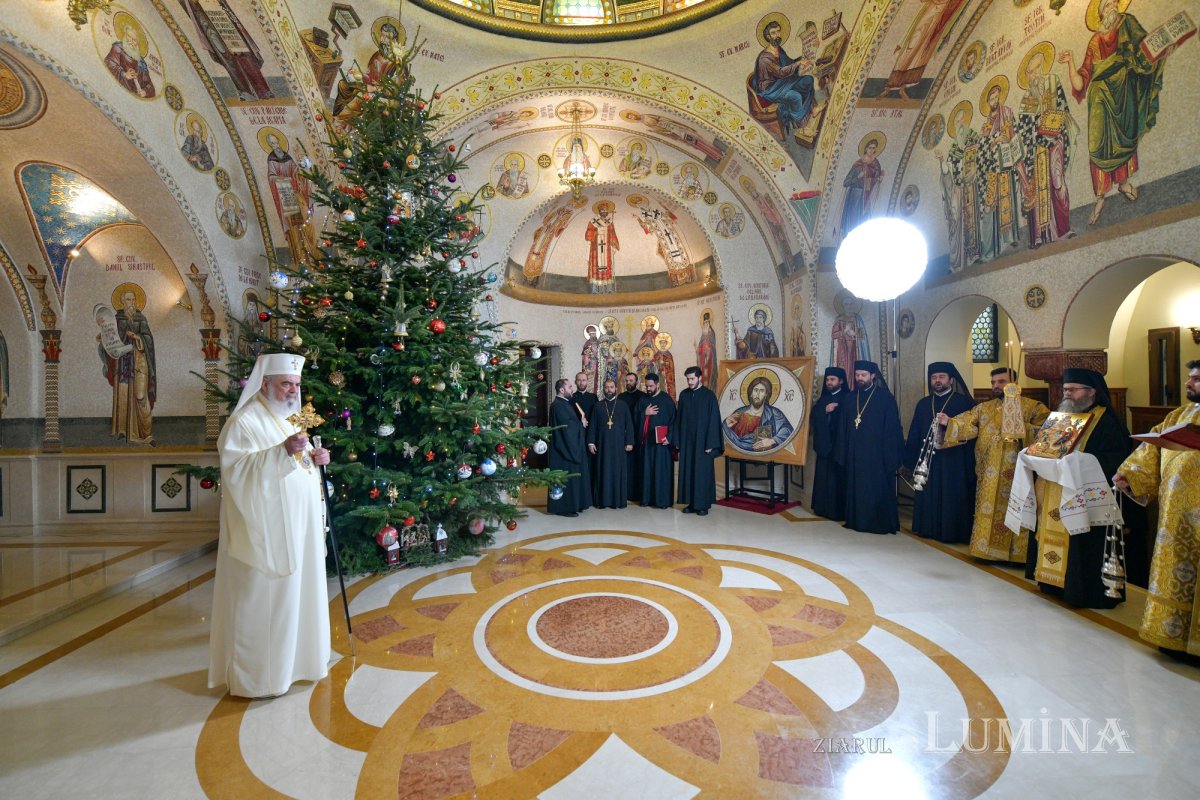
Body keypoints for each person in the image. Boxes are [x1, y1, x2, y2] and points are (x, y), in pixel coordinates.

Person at [209, 353, 331, 698]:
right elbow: (236, 471)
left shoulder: (290, 418)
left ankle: (301, 664)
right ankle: (261, 678)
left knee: (300, 594)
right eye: (285, 384)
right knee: (266, 600)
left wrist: (318, 458)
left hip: (301, 527)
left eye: (295, 384)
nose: (292, 390)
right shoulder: (244, 422)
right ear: (265, 384)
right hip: (266, 531)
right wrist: (281, 452)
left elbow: (300, 461)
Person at [1024, 368, 1133, 608]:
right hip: (1054, 493)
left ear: (1092, 392)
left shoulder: (1108, 422)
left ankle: (1083, 590)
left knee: (1084, 545)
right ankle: (1054, 583)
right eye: (1065, 390)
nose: (1067, 394)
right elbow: (1046, 448)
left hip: (1088, 498)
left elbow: (1118, 460)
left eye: (1073, 390)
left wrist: (1080, 461)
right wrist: (1033, 455)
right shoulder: (1061, 418)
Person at [1115, 361, 1200, 663]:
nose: (1190, 384)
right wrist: (1130, 474)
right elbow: (1150, 449)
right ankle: (1172, 637)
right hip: (1175, 518)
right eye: (1190, 378)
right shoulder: (1179, 415)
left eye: (1197, 380)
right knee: (1176, 571)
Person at [1059, 0, 1168, 225]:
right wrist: (1070, 63)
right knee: (1098, 145)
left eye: (1113, 3)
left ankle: (1123, 183)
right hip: (1099, 98)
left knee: (1124, 136)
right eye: (1106, 5)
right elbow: (1081, 83)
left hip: (1124, 89)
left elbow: (1146, 48)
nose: (1111, 7)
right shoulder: (1095, 41)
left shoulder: (1127, 24)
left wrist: (1163, 46)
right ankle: (1100, 195)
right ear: (1099, 13)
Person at [940, 368, 1050, 562]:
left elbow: (1047, 434)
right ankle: (986, 551)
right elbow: (967, 424)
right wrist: (950, 422)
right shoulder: (985, 408)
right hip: (990, 472)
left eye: (1001, 381)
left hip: (1020, 472)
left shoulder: (1033, 407)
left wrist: (1023, 429)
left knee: (1020, 509)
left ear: (1015, 383)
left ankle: (1019, 555)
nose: (996, 386)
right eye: (993, 382)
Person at [903, 362, 977, 543]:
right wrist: (911, 458)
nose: (937, 381)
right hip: (928, 461)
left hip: (953, 461)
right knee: (928, 493)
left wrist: (950, 423)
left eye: (941, 377)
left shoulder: (964, 402)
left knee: (951, 495)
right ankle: (926, 528)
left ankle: (951, 532)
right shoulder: (924, 403)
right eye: (934, 377)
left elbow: (972, 430)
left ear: (951, 379)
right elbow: (915, 431)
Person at [836, 360, 904, 534]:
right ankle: (856, 520)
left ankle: (876, 523)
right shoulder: (851, 397)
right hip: (854, 454)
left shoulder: (885, 398)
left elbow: (892, 429)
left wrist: (889, 456)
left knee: (875, 489)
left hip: (876, 456)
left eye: (863, 375)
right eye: (857, 375)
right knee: (857, 488)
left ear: (873, 376)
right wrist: (843, 451)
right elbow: (843, 428)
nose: (860, 378)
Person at [752, 19, 816, 136]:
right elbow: (780, 72)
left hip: (783, 82)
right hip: (771, 88)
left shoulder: (779, 50)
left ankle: (812, 110)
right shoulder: (764, 58)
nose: (777, 35)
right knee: (795, 96)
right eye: (773, 33)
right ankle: (802, 128)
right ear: (767, 36)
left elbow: (788, 63)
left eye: (778, 31)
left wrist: (802, 58)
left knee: (808, 80)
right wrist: (798, 64)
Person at [676, 367, 724, 515]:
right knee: (689, 471)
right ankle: (691, 503)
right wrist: (678, 439)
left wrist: (711, 443)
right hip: (687, 442)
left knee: (701, 473)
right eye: (688, 379)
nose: (689, 382)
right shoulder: (684, 395)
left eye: (692, 379)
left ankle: (702, 505)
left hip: (703, 443)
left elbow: (714, 421)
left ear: (699, 378)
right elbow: (679, 419)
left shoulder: (709, 396)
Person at [588, 379, 635, 509]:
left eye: (611, 387)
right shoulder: (597, 406)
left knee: (617, 472)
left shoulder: (622, 405)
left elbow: (629, 425)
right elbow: (592, 425)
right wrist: (591, 442)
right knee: (602, 471)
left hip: (619, 445)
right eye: (607, 387)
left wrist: (629, 442)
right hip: (602, 445)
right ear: (603, 389)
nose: (609, 389)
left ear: (616, 389)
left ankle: (618, 501)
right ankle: (602, 501)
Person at [548, 378, 591, 517]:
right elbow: (566, 429)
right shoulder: (557, 406)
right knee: (566, 478)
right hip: (563, 451)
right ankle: (564, 508)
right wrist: (581, 424)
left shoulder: (565, 404)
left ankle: (575, 504)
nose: (572, 389)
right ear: (562, 390)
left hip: (568, 448)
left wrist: (579, 423)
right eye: (570, 387)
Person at [810, 367, 848, 521]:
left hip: (839, 446)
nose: (829, 382)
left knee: (836, 480)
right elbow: (814, 417)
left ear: (841, 381)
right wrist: (824, 410)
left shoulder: (847, 398)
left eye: (832, 379)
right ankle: (821, 508)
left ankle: (836, 512)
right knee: (823, 479)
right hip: (824, 446)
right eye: (827, 380)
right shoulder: (823, 399)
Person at [635, 373, 676, 509]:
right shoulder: (643, 400)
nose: (648, 388)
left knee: (661, 471)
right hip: (647, 444)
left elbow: (674, 421)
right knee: (647, 471)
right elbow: (634, 418)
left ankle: (662, 501)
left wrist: (669, 438)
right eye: (646, 386)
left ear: (658, 384)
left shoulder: (667, 400)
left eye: (651, 386)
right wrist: (644, 414)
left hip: (662, 445)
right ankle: (647, 499)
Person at [723, 375, 795, 452]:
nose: (757, 394)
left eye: (761, 391)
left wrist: (772, 440)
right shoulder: (739, 412)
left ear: (766, 394)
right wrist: (725, 423)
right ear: (751, 393)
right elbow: (726, 433)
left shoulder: (773, 413)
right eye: (755, 390)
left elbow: (787, 429)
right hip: (735, 452)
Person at [838, 135, 884, 240]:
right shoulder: (858, 165)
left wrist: (879, 178)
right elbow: (846, 182)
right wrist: (858, 177)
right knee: (853, 220)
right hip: (856, 196)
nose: (872, 150)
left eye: (874, 148)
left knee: (864, 220)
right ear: (865, 148)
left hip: (866, 197)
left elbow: (874, 180)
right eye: (870, 148)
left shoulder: (876, 165)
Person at [619, 372, 647, 503]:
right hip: (624, 435)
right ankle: (624, 492)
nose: (629, 382)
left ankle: (637, 493)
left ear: (637, 381)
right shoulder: (621, 396)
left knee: (637, 466)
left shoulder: (642, 396)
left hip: (639, 434)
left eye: (631, 380)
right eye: (627, 380)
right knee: (625, 465)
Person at [585, 201, 619, 293]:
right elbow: (588, 235)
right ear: (599, 211)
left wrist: (614, 244)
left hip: (606, 249)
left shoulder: (609, 222)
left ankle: (608, 289)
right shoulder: (593, 222)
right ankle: (595, 290)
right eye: (602, 210)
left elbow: (612, 234)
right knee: (596, 267)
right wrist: (596, 232)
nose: (604, 211)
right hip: (596, 249)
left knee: (607, 267)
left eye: (606, 210)